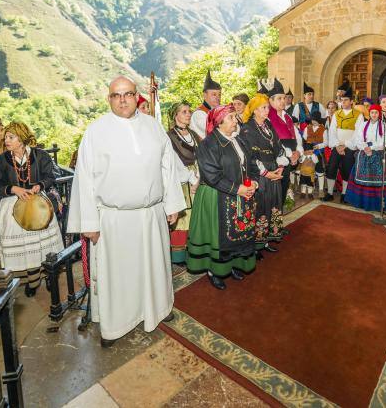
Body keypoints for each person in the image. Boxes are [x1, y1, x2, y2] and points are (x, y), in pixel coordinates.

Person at [67, 76, 185, 347]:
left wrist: (172, 205)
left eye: (128, 94)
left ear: (136, 96)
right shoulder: (96, 132)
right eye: (116, 95)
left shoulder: (153, 127)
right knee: (118, 276)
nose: (122, 99)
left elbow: (167, 168)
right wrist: (89, 222)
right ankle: (116, 325)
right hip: (114, 220)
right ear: (109, 99)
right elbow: (84, 179)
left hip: (152, 214)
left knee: (155, 267)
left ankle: (157, 309)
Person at [187, 104, 257, 289]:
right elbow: (212, 176)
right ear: (219, 122)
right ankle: (214, 271)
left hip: (238, 194)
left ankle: (233, 265)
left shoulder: (239, 140)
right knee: (218, 237)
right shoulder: (208, 144)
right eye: (232, 117)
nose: (236, 120)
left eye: (235, 116)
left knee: (236, 233)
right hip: (216, 196)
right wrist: (238, 189)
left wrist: (255, 182)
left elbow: (251, 163)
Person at [0, 122, 64, 297]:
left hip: (39, 206)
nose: (6, 140)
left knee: (44, 246)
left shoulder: (40, 155)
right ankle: (33, 280)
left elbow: (50, 177)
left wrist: (39, 185)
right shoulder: (1, 160)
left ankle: (48, 276)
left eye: (11, 137)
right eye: (6, 137)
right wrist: (13, 189)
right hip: (12, 209)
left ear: (22, 138)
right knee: (26, 248)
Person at [239, 93, 285, 255]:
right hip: (259, 174)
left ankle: (265, 241)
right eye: (263, 108)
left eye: (267, 107)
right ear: (254, 111)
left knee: (272, 203)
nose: (267, 110)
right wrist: (266, 173)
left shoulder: (268, 125)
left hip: (273, 169)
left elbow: (279, 146)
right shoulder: (247, 129)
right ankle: (256, 245)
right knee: (260, 206)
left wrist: (280, 166)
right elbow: (249, 157)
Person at [165, 102, 200, 264]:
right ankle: (178, 256)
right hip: (180, 179)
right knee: (182, 218)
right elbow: (173, 162)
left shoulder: (193, 133)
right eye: (184, 112)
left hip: (198, 176)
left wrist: (199, 177)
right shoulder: (169, 136)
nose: (188, 114)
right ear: (175, 115)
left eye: (189, 111)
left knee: (197, 216)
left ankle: (194, 249)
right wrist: (191, 178)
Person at [345, 105, 386, 210]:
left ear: (379, 114)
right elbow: (358, 139)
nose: (374, 115)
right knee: (362, 178)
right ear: (369, 113)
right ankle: (361, 202)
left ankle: (376, 204)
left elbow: (383, 142)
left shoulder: (385, 125)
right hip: (364, 153)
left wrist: (371, 147)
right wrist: (364, 147)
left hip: (378, 154)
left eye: (376, 113)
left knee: (376, 180)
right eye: (372, 112)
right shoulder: (363, 125)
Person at [323, 85, 364, 202]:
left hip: (349, 147)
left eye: (346, 100)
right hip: (337, 146)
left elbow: (358, 133)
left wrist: (345, 145)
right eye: (342, 100)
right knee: (331, 168)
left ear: (351, 101)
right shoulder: (337, 114)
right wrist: (337, 145)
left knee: (347, 170)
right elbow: (332, 130)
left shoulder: (358, 115)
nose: (343, 102)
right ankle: (330, 193)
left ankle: (344, 194)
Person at [264, 78, 303, 202]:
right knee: (274, 192)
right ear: (270, 100)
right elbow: (271, 141)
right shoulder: (267, 118)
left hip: (290, 159)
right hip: (276, 160)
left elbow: (297, 137)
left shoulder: (288, 116)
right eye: (279, 98)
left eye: (284, 98)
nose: (283, 101)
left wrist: (298, 152)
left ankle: (279, 216)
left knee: (284, 188)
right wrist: (289, 154)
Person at [301, 111, 328, 197]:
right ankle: (309, 189)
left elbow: (326, 142)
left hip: (318, 153)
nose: (313, 122)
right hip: (308, 153)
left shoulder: (323, 129)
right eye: (312, 120)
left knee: (320, 171)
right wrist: (306, 149)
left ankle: (320, 190)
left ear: (319, 120)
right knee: (307, 171)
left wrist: (319, 146)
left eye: (315, 120)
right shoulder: (307, 128)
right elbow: (304, 140)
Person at [189, 70, 222, 139]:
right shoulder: (199, 114)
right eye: (214, 94)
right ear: (204, 95)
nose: (218, 97)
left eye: (219, 94)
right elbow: (217, 133)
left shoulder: (217, 111)